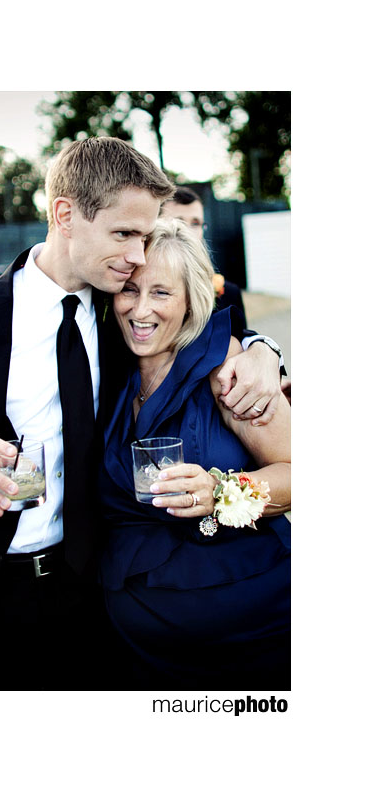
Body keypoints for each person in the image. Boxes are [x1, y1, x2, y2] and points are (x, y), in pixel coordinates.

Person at [0, 136, 285, 689]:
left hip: (86, 597)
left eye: (144, 234)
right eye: (125, 234)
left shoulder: (122, 323)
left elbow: (192, 324)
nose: (139, 256)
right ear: (65, 215)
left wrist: (264, 348)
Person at [98, 218, 290, 689]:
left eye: (161, 293)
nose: (141, 310)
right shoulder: (102, 370)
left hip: (251, 636)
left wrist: (223, 493)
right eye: (130, 290)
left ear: (191, 301)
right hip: (136, 645)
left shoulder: (229, 370)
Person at [161, 186, 248, 328]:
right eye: (178, 222)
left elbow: (243, 342)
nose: (188, 231)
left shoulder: (230, 294)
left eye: (195, 223)